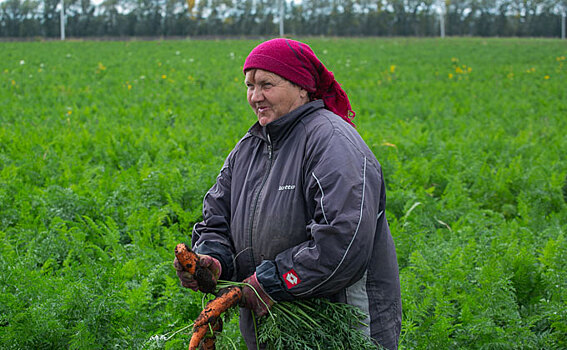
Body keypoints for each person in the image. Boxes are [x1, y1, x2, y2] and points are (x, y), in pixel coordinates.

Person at [174, 38, 402, 349]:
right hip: (270, 326)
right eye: (249, 86)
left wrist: (275, 282)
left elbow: (342, 241)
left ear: (302, 87)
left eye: (267, 84)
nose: (255, 97)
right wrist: (214, 262)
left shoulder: (332, 143)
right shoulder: (249, 149)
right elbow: (216, 219)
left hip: (340, 326)